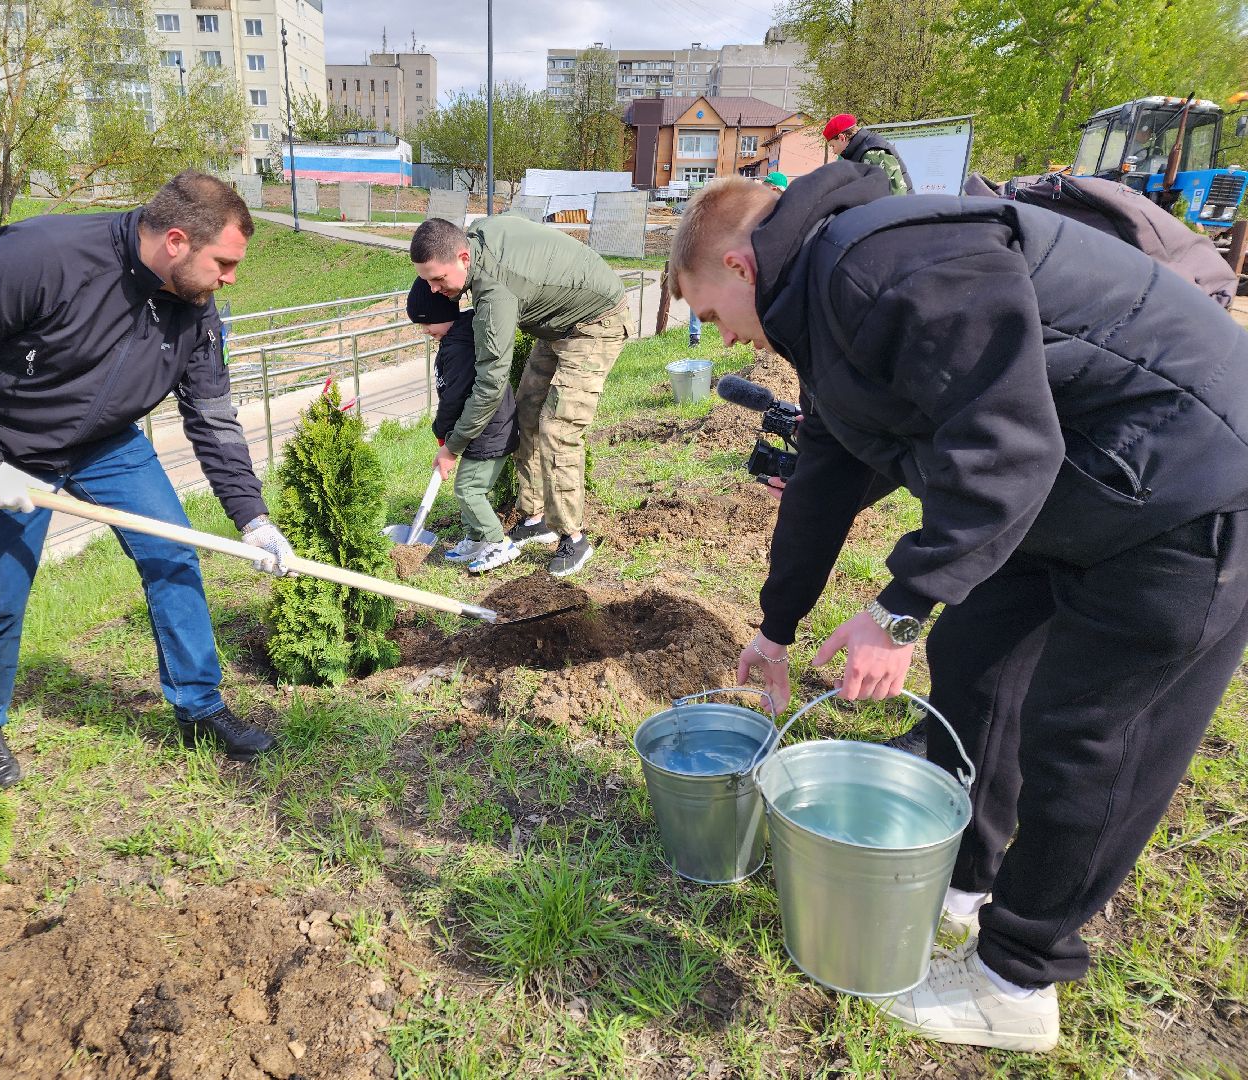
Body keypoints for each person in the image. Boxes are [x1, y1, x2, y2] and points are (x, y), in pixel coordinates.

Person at [668, 165, 1248, 1052]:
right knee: (977, 660)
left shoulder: (890, 264)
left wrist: (901, 609)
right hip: (1079, 487)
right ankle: (965, 876)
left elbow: (1006, 447)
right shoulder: (826, 305)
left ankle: (1017, 979)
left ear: (742, 267)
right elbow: (826, 471)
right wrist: (776, 627)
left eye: (711, 314)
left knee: (1089, 734)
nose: (728, 338)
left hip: (1187, 485)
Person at [0, 171, 291, 789]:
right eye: (223, 263)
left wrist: (253, 516)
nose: (229, 278)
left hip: (106, 446)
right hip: (3, 447)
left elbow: (212, 414)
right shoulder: (45, 259)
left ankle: (199, 706)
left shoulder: (194, 305)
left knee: (174, 555)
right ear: (175, 241)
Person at [410, 215, 631, 578]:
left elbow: (490, 385)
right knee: (527, 413)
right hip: (558, 321)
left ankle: (573, 537)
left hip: (596, 320)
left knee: (558, 427)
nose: (434, 289)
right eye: (426, 280)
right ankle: (535, 517)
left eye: (439, 279)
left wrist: (454, 446)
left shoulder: (495, 295)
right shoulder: (476, 236)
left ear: (464, 258)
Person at [407, 278, 521, 574]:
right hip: (478, 431)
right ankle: (476, 538)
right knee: (465, 488)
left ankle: (499, 543)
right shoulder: (455, 339)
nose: (425, 331)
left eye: (427, 323)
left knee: (470, 490)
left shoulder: (460, 348)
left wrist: (442, 433)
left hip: (489, 430)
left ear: (441, 315)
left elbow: (454, 398)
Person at [823, 113, 914, 194]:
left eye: (832, 146)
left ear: (842, 138)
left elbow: (896, 195)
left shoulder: (872, 154)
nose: (834, 151)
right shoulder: (860, 151)